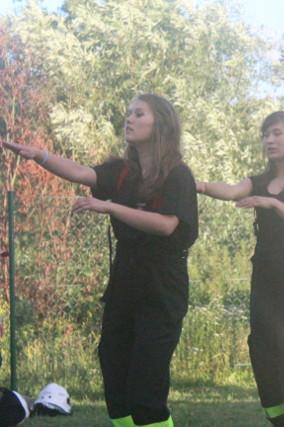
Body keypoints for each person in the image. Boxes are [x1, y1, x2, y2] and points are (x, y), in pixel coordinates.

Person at [2, 94, 198, 427]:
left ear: (161, 123)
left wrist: (109, 207)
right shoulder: (123, 172)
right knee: (115, 380)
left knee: (146, 389)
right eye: (128, 113)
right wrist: (40, 155)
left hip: (162, 286)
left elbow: (167, 225)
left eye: (139, 113)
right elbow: (81, 172)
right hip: (125, 281)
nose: (129, 119)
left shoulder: (178, 175)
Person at [196, 111, 284, 427]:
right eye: (266, 134)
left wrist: (275, 204)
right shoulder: (258, 181)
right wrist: (196, 184)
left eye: (277, 133)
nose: (269, 140)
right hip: (267, 281)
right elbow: (230, 191)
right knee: (264, 359)